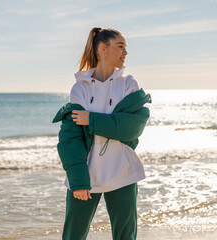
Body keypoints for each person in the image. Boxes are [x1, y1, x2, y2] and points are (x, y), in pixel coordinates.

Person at [52, 27, 151, 240]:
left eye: (126, 47)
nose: (125, 52)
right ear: (103, 49)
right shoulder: (80, 89)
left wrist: (91, 120)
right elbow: (71, 139)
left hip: (123, 172)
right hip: (86, 174)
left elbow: (132, 127)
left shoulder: (128, 85)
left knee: (126, 237)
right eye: (120, 47)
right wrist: (78, 181)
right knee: (73, 236)